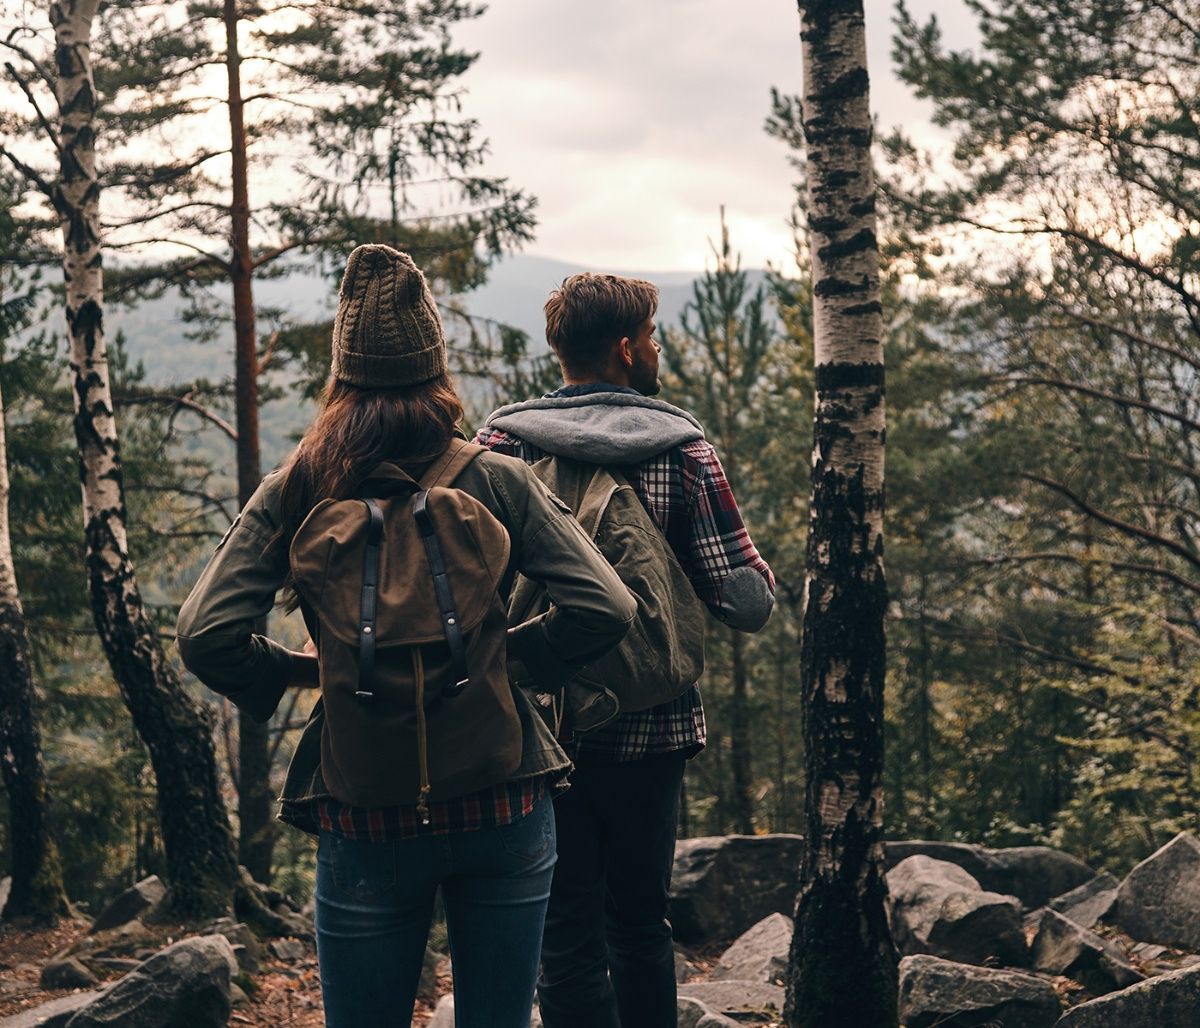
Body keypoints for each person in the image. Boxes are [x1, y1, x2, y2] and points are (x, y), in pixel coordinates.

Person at [175, 245, 637, 1028]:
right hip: (501, 797)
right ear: (435, 371)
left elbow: (203, 632)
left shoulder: (299, 486)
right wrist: (502, 660)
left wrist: (298, 672)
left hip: (366, 809)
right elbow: (607, 607)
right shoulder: (494, 478)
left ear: (342, 377)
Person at [476, 272, 776, 1028]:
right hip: (653, 728)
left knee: (564, 936)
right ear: (624, 348)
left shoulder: (500, 448)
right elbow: (746, 604)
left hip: (535, 726)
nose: (656, 348)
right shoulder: (684, 453)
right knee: (640, 924)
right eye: (651, 336)